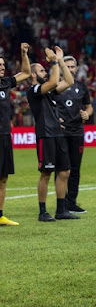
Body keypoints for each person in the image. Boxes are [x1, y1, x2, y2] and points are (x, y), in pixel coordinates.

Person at [27, 46, 78, 221]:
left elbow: (69, 81)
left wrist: (61, 61)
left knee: (64, 172)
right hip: (45, 135)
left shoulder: (48, 90)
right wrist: (54, 62)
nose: (45, 72)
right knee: (46, 173)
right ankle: (43, 212)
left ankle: (61, 210)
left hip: (57, 134)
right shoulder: (33, 91)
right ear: (33, 75)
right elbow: (55, 82)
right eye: (41, 70)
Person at [55, 56, 93, 213]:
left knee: (75, 169)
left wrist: (87, 114)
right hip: (61, 132)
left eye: (72, 66)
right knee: (63, 169)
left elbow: (89, 107)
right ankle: (61, 203)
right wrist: (55, 119)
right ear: (63, 67)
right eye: (67, 66)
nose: (70, 69)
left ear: (76, 68)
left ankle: (72, 203)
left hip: (77, 132)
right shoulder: (55, 86)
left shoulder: (82, 87)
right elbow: (49, 106)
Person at [0, 43, 31, 226]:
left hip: (4, 135)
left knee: (3, 177)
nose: (2, 68)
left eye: (3, 65)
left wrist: (23, 54)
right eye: (0, 66)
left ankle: (0, 215)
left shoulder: (5, 83)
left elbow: (26, 73)